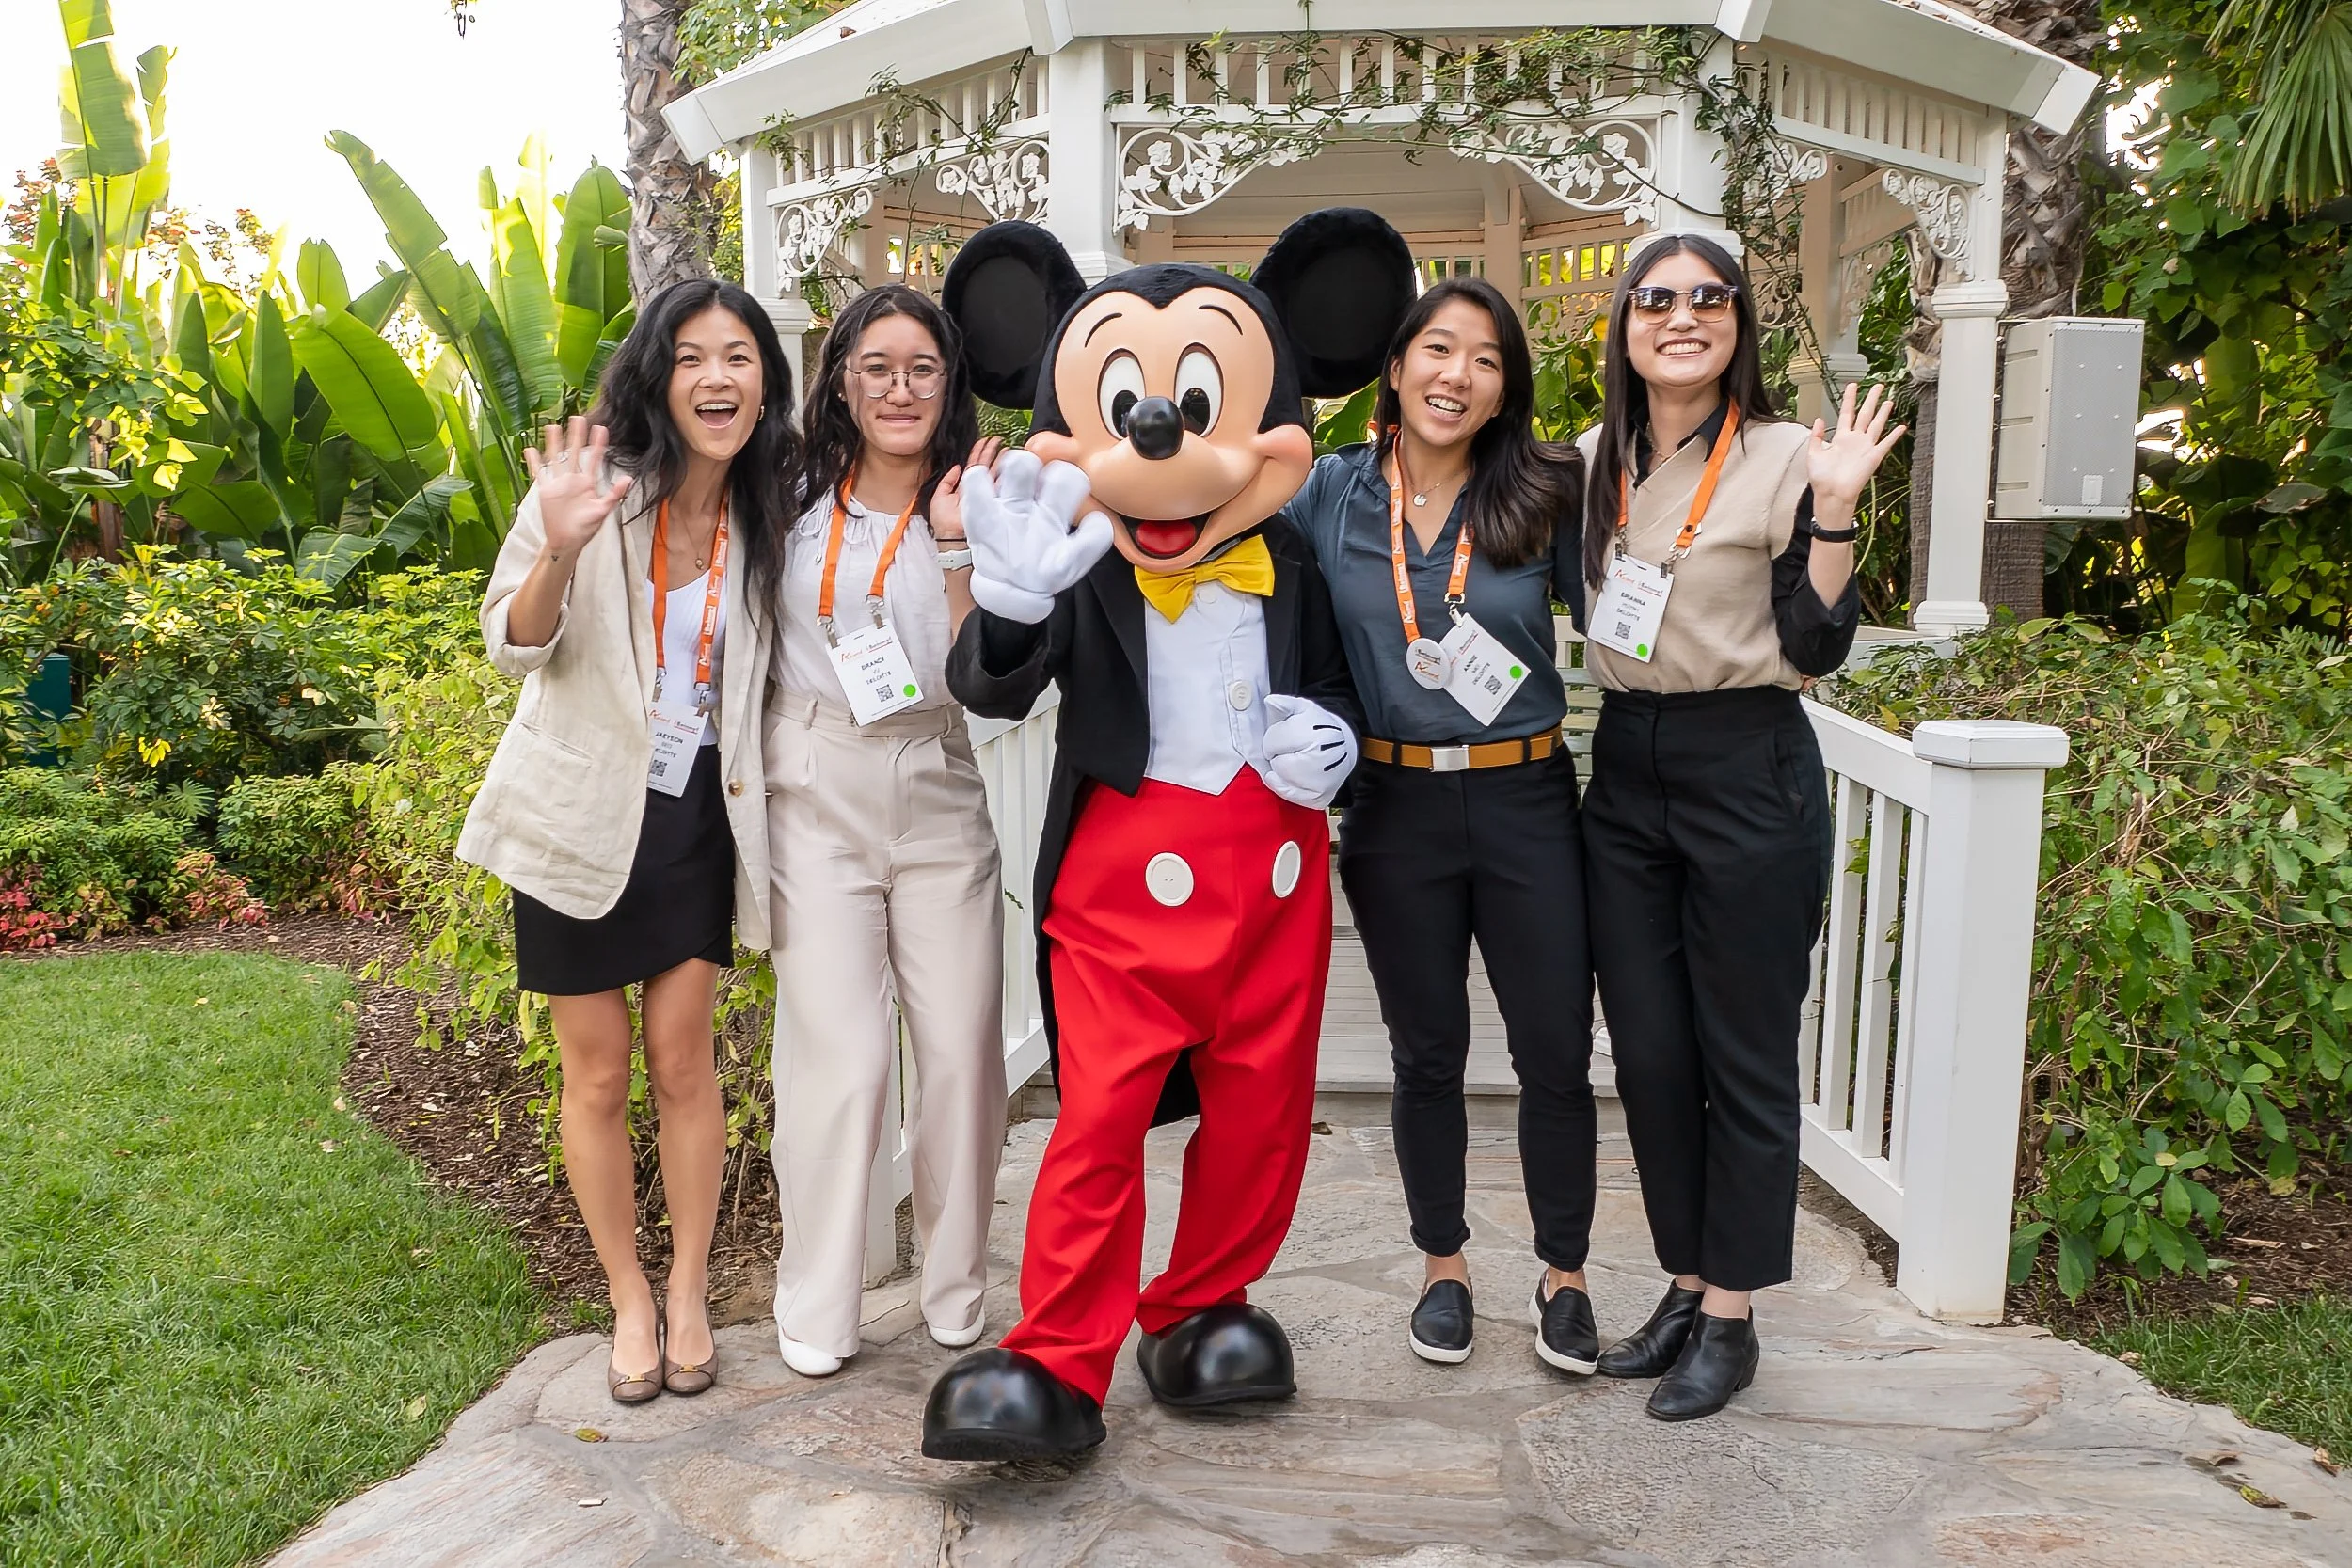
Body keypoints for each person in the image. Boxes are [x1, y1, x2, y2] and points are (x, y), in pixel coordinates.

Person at [917, 210, 1406, 1460]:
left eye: (1197, 403)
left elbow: (1338, 683)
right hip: (1120, 893)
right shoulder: (1075, 560)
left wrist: (1334, 738)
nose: (1161, 439)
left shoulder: (1288, 554)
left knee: (1261, 1111)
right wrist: (1008, 600)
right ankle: (1058, 1354)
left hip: (1275, 878)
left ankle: (1199, 1303)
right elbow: (991, 688)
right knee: (1098, 1120)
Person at [1576, 235, 1903, 1420]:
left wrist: (1835, 508)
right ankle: (1684, 1280)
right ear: (1624, 325)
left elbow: (1815, 644)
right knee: (1650, 1053)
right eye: (1654, 298)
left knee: (1742, 1052)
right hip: (1627, 769)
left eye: (1706, 297)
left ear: (1737, 323)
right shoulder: (1588, 460)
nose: (1680, 315)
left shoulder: (1783, 457)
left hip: (1746, 763)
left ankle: (1730, 1313)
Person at [457, 278, 800, 1402]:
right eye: (692, 356)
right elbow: (514, 643)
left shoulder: (772, 513)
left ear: (765, 383)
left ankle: (689, 1288)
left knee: (685, 1060)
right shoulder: (589, 487)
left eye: (738, 356)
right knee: (597, 1072)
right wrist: (557, 549)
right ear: (658, 376)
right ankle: (629, 1296)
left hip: (694, 816)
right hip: (577, 813)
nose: (717, 376)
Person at [1283, 276, 1599, 1374]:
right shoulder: (1330, 491)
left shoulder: (1545, 486)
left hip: (1525, 798)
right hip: (1394, 804)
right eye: (1438, 348)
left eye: (1485, 358)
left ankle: (1564, 1275)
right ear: (1396, 363)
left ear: (1505, 388)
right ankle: (1443, 1267)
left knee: (1553, 1048)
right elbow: (1228, 531)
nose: (1457, 374)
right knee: (1426, 1053)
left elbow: (1628, 612)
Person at [758, 283, 1009, 1379]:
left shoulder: (982, 496)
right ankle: (817, 1300)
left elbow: (988, 671)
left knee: (959, 1052)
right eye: (876, 366)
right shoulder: (786, 493)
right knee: (845, 1058)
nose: (899, 389)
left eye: (921, 368)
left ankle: (953, 1286)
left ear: (948, 383)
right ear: (842, 381)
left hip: (936, 770)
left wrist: (956, 546)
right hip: (815, 779)